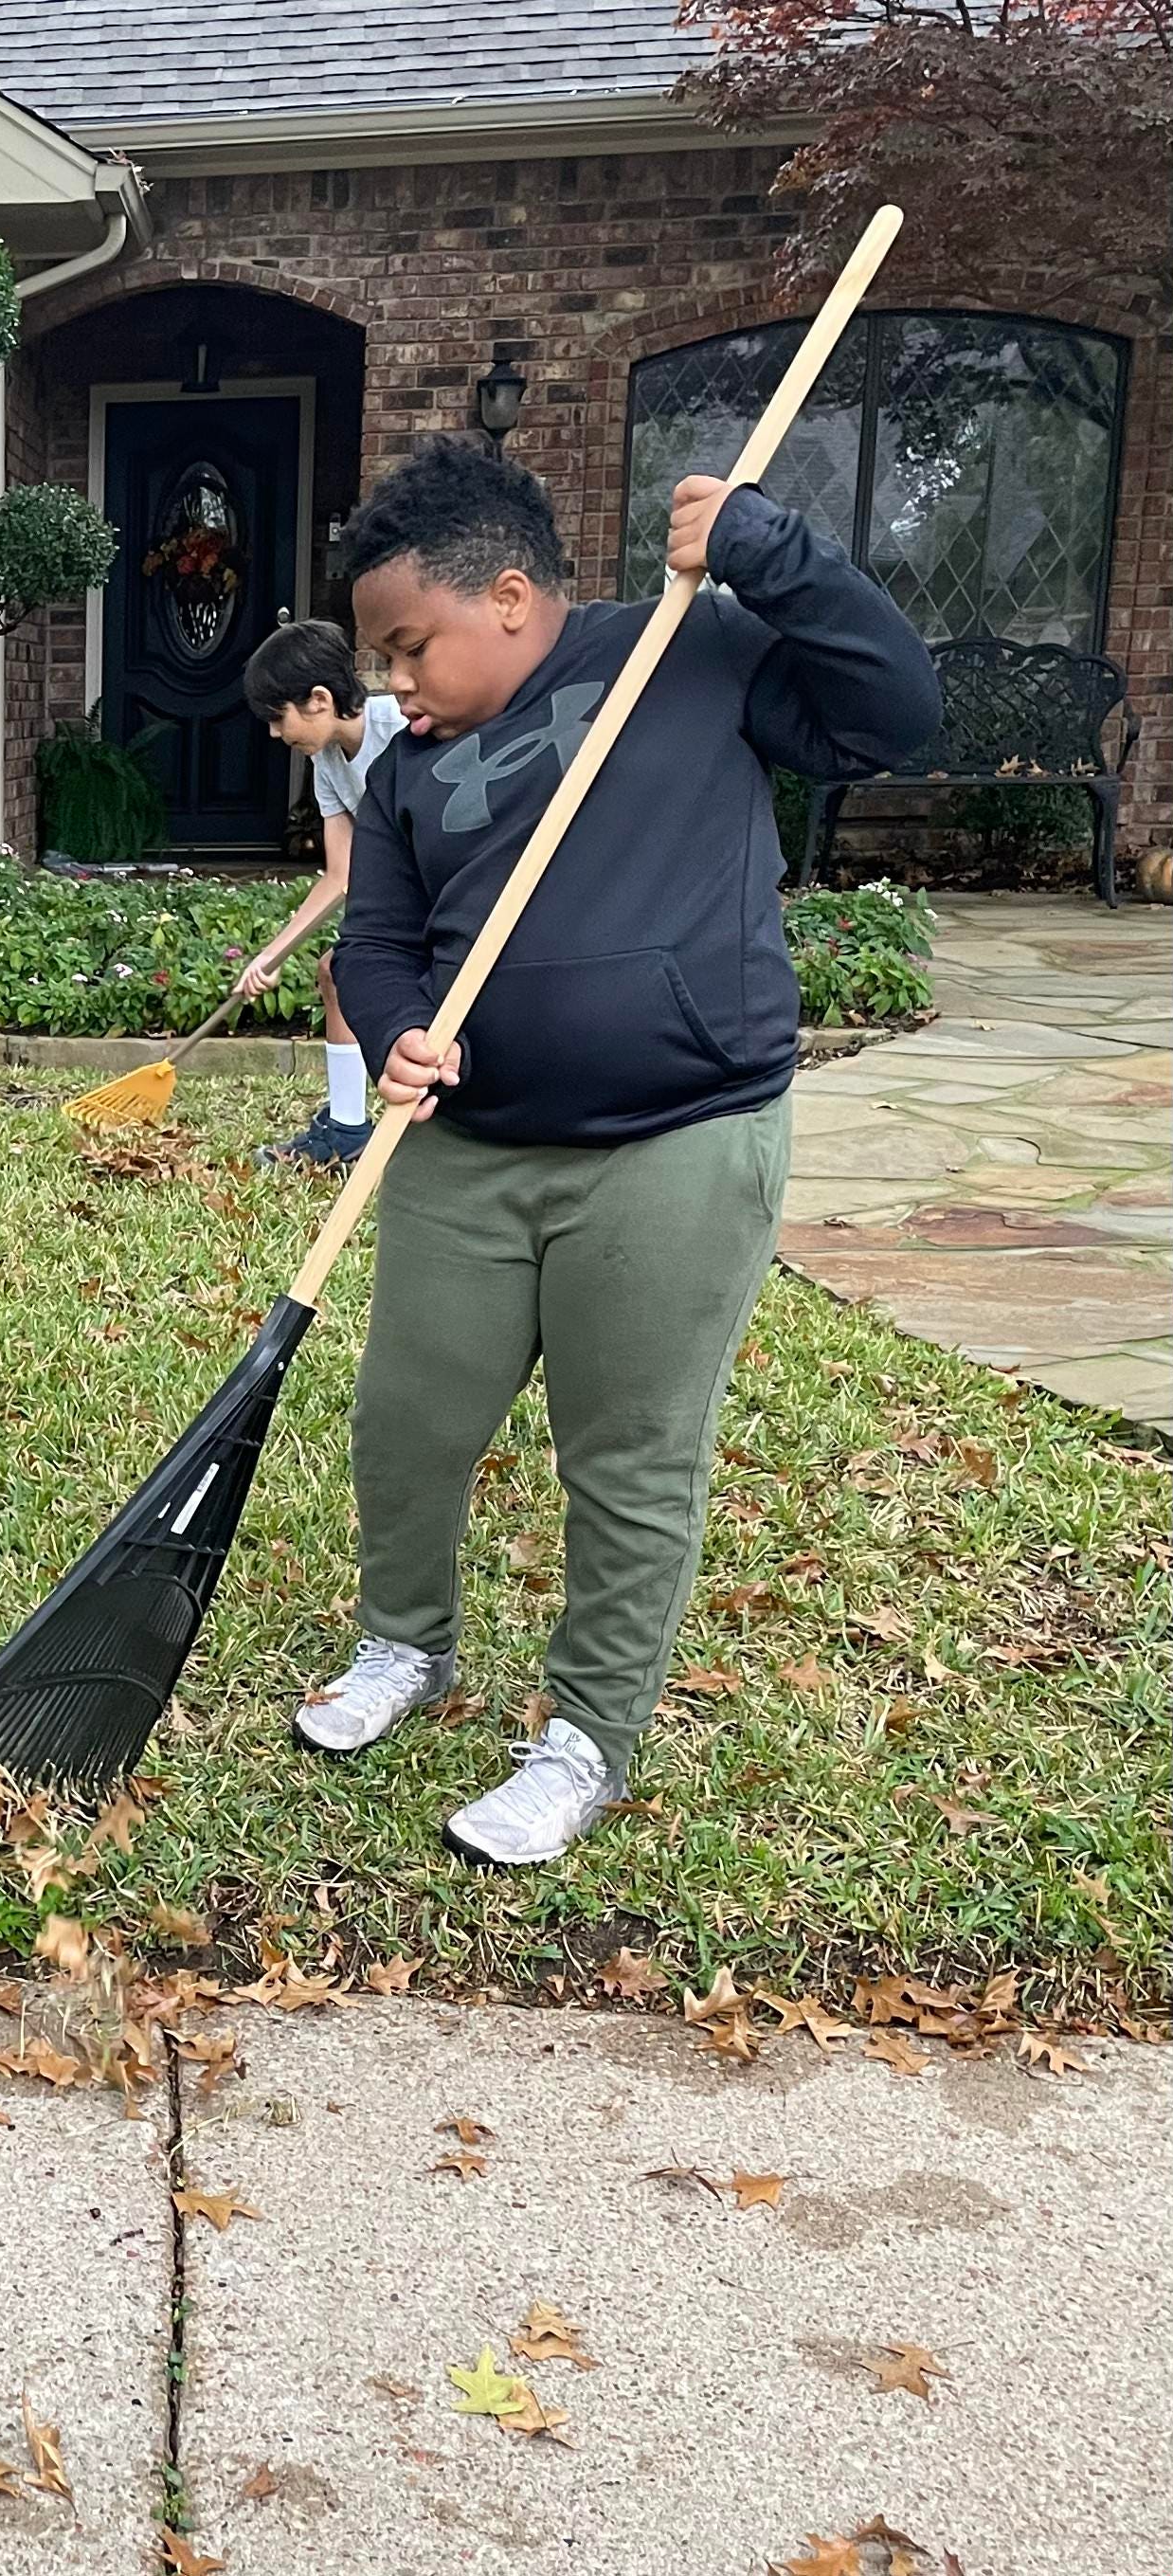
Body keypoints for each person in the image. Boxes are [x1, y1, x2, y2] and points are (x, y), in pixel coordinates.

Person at [298, 437, 937, 1865]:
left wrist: (771, 551)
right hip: (467, 1151)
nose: (392, 682)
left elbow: (898, 711)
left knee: (627, 1457)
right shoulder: (408, 766)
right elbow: (381, 939)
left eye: (409, 646)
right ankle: (405, 1642)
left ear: (508, 596)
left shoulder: (686, 652)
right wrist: (400, 1031)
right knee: (406, 1421)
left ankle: (583, 1734)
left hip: (673, 1138)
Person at [235, 619, 406, 1169]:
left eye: (276, 717)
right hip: (403, 889)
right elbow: (341, 875)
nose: (273, 733)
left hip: (453, 887)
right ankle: (349, 1129)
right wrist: (270, 956)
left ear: (318, 700)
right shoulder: (326, 761)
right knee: (337, 972)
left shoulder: (404, 725)